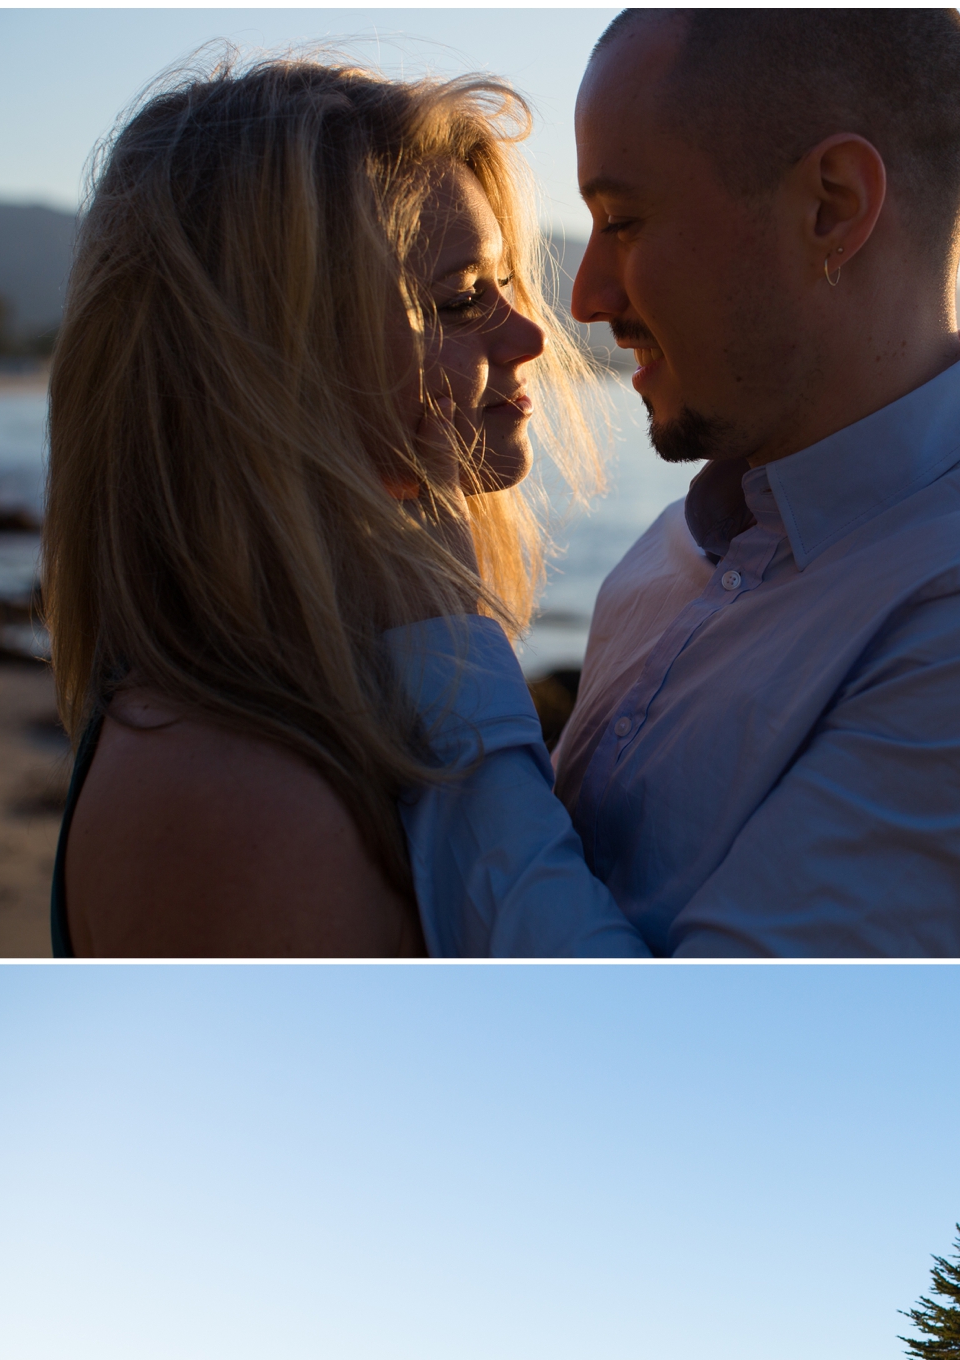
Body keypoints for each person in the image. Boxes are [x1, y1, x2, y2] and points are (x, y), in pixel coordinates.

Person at [547, 8, 960, 956]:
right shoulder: (690, 544)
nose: (588, 296)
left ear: (833, 205)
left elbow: (718, 1069)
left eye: (623, 222)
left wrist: (462, 699)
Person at [45, 53, 649, 958]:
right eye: (458, 300)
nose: (530, 334)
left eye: (506, 285)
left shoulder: (320, 702)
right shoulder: (236, 795)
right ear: (269, 363)